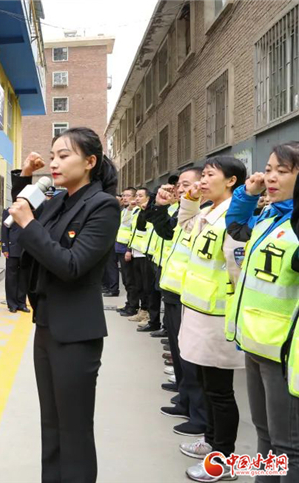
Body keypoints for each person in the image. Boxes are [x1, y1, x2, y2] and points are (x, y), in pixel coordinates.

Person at [9, 127, 120, 482]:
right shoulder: (59, 201)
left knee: (74, 429)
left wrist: (29, 224)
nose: (54, 163)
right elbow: (24, 215)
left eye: (63, 155)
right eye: (52, 156)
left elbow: (71, 265)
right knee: (51, 424)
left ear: (90, 162)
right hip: (47, 324)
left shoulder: (103, 206)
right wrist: (24, 177)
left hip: (76, 333)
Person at [225, 142, 299, 480]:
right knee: (264, 434)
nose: (270, 177)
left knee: (289, 447)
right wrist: (246, 194)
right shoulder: (270, 217)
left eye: (282, 171)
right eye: (268, 169)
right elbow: (236, 227)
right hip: (255, 343)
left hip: (284, 354)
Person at [177, 156, 247, 482]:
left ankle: (223, 459)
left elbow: (237, 271)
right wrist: (190, 200)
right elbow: (184, 227)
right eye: (202, 175)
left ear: (231, 181)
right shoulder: (208, 212)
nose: (202, 181)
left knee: (220, 392)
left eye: (209, 175)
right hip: (199, 313)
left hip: (218, 316)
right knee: (207, 385)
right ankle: (210, 441)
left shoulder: (232, 218)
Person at [151, 168, 209, 439]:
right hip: (174, 289)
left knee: (191, 357)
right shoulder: (184, 212)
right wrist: (160, 207)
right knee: (179, 350)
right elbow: (165, 233)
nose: (179, 189)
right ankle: (185, 398)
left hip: (191, 293)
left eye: (186, 184)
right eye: (179, 186)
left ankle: (198, 412)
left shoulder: (206, 216)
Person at [125, 188, 156, 328]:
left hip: (145, 253)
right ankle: (142, 311)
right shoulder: (136, 211)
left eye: (140, 196)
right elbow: (131, 228)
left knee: (147, 286)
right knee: (139, 285)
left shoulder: (151, 211)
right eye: (136, 195)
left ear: (148, 198)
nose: (137, 198)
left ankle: (148, 314)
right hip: (136, 251)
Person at [1, 207, 31, 313]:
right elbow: (4, 229)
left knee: (24, 277)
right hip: (12, 248)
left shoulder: (29, 210)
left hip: (25, 248)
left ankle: (21, 303)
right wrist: (4, 247)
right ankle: (12, 304)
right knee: (11, 277)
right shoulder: (9, 211)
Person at [116, 188, 140, 315]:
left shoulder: (135, 211)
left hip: (127, 248)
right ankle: (129, 303)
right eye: (123, 195)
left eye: (128, 195)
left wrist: (128, 249)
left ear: (135, 197)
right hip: (120, 247)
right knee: (126, 279)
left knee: (130, 280)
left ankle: (133, 306)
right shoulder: (125, 210)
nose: (124, 198)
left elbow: (132, 231)